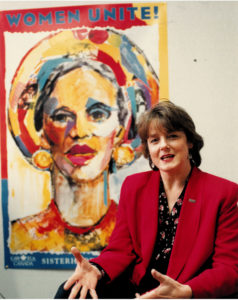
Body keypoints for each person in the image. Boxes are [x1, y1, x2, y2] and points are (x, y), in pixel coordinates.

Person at [55, 100, 238, 298]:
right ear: (148, 149)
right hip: (137, 286)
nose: (164, 146)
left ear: (190, 142)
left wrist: (186, 292)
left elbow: (229, 268)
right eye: (154, 140)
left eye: (173, 137)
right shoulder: (134, 186)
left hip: (185, 289)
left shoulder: (223, 193)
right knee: (70, 291)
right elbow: (121, 248)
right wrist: (97, 269)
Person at [8, 28, 159, 253]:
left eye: (98, 114)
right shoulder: (21, 237)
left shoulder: (140, 235)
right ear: (40, 132)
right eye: (62, 116)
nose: (79, 131)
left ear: (120, 128)